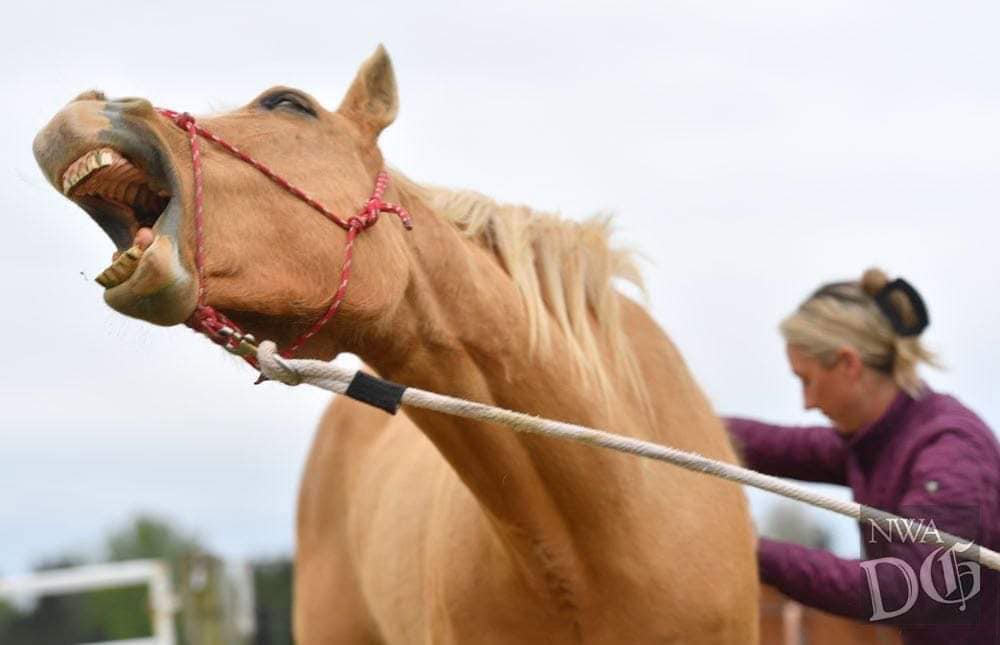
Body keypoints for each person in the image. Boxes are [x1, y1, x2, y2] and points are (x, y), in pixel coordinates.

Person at [727, 268, 1000, 645]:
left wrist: (748, 547)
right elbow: (775, 444)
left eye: (806, 379)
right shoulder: (880, 439)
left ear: (849, 364)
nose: (806, 402)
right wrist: (680, 421)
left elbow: (902, 588)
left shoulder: (950, 452)